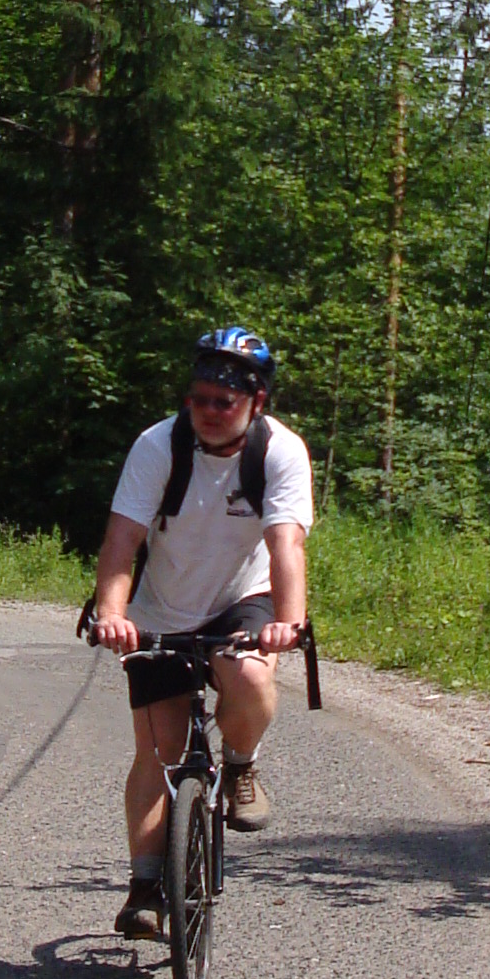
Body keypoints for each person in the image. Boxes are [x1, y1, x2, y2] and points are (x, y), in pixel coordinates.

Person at [85, 326, 313, 942]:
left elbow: (286, 544)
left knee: (249, 677)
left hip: (244, 599)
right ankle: (144, 888)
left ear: (256, 402)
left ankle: (240, 765)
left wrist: (288, 622)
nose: (209, 411)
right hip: (162, 609)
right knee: (158, 753)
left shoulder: (280, 452)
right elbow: (122, 539)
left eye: (224, 402)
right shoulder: (158, 445)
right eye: (199, 399)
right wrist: (112, 612)